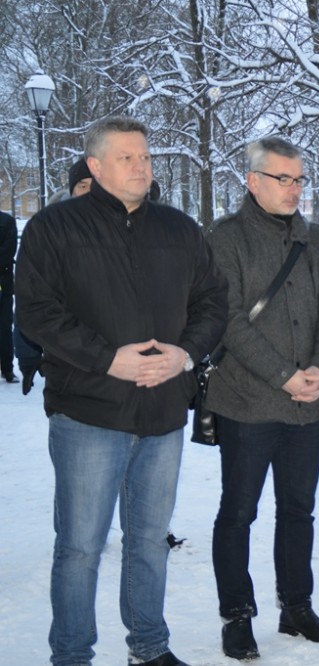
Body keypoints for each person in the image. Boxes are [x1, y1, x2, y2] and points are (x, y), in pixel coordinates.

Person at [14, 116, 228, 666]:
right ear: (95, 165)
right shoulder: (54, 228)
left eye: (146, 157)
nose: (141, 167)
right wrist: (107, 359)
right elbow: (36, 312)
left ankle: (149, 648)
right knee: (80, 548)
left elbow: (212, 301)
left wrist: (185, 354)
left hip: (162, 412)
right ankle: (72, 655)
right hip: (89, 413)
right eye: (127, 157)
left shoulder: (179, 229)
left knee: (150, 542)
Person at [205, 136, 319, 660]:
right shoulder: (225, 237)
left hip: (308, 402)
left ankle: (296, 607)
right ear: (253, 180)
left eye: (299, 179)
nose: (293, 189)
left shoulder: (317, 239)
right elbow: (228, 320)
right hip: (247, 402)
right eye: (282, 179)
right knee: (238, 513)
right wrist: (284, 375)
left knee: (298, 511)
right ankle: (237, 616)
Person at [15, 157, 94, 395]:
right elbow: (30, 298)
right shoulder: (48, 231)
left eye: (96, 185)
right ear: (71, 189)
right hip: (65, 356)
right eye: (82, 185)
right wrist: (28, 355)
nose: (89, 192)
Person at [0, 209, 15, 383]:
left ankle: (7, 368)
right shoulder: (7, 221)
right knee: (4, 328)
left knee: (4, 327)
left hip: (3, 285)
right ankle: (7, 369)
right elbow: (8, 251)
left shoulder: (7, 221)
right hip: (4, 283)